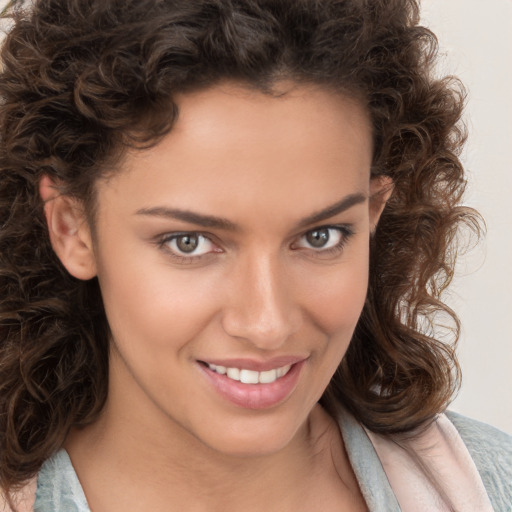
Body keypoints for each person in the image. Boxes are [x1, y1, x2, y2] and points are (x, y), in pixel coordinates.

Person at [0, 0, 510, 510]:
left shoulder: (492, 487)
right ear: (73, 230)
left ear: (373, 213)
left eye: (321, 236)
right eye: (190, 243)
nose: (267, 324)